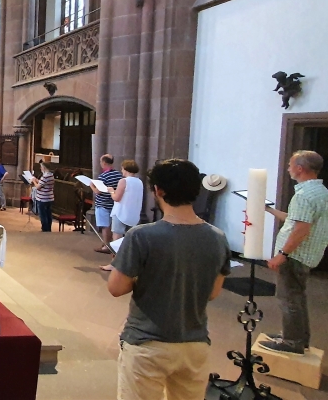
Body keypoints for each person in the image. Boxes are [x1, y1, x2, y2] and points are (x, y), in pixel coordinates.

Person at [108, 159, 230, 400]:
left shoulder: (142, 236)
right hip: (194, 343)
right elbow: (213, 292)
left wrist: (147, 276)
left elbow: (116, 287)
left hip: (147, 342)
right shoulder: (218, 237)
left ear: (158, 191)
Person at [260, 150, 328, 355]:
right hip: (306, 254)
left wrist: (282, 254)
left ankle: (292, 342)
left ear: (300, 168)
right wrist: (269, 210)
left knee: (289, 298)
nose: (288, 168)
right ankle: (299, 338)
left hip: (295, 256)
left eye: (290, 165)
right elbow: (296, 219)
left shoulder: (303, 195)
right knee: (297, 297)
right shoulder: (321, 192)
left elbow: (301, 229)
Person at [100, 160, 143, 271]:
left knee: (116, 241)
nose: (121, 171)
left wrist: (111, 191)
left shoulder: (124, 181)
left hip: (121, 213)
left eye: (122, 168)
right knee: (130, 242)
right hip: (133, 215)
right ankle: (129, 265)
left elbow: (116, 198)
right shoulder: (139, 182)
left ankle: (114, 265)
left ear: (126, 169)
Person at [92, 154, 124, 254]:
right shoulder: (119, 175)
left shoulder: (103, 176)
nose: (100, 164)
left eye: (101, 162)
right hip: (114, 204)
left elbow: (98, 191)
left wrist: (91, 185)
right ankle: (110, 244)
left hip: (103, 204)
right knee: (112, 226)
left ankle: (106, 246)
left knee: (105, 226)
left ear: (104, 163)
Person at [30, 161, 55, 232]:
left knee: (43, 215)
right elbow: (43, 183)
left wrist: (33, 181)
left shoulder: (45, 176)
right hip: (49, 198)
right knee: (48, 214)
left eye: (41, 167)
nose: (40, 168)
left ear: (44, 168)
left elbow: (38, 187)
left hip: (43, 199)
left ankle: (45, 229)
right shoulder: (51, 175)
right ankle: (48, 228)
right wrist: (37, 180)